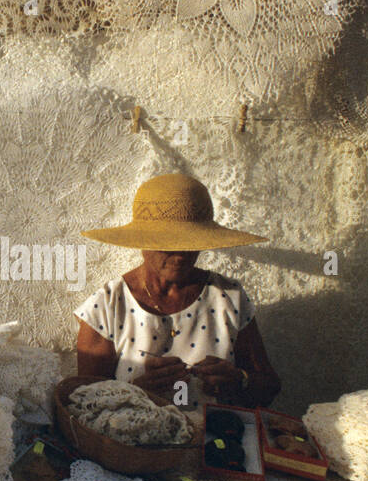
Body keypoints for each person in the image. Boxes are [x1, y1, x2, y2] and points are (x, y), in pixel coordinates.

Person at [73, 173, 281, 407]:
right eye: (169, 244)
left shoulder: (228, 297)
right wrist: (136, 393)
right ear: (142, 242)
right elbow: (84, 405)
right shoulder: (108, 306)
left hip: (218, 438)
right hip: (135, 442)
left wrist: (238, 380)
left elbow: (269, 387)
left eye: (191, 244)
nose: (181, 255)